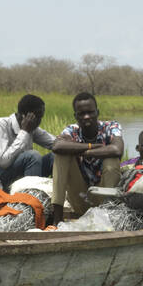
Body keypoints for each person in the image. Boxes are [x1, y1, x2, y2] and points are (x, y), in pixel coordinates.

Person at [48, 91, 124, 222]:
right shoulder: (71, 130)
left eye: (90, 112)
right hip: (81, 197)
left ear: (97, 112)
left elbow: (117, 149)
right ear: (75, 116)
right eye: (82, 114)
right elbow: (57, 147)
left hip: (104, 198)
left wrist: (79, 150)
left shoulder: (111, 127)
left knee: (111, 159)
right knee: (62, 156)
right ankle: (57, 220)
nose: (87, 117)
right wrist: (91, 147)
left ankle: (109, 216)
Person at [0, 94, 55, 188]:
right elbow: (4, 162)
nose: (40, 121)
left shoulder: (33, 128)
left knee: (54, 156)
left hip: (13, 172)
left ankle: (58, 197)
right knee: (32, 156)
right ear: (25, 116)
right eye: (38, 117)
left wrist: (69, 142)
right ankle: (30, 198)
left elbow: (53, 142)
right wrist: (24, 132)